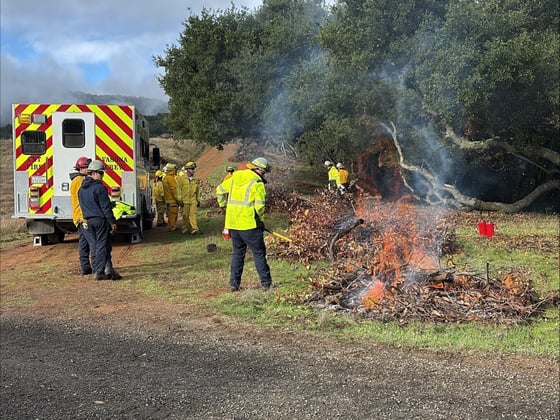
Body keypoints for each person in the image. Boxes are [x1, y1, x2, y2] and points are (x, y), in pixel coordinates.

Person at [216, 157, 273, 292]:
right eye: (264, 172)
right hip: (249, 224)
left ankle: (234, 284)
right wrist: (260, 221)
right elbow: (259, 206)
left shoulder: (234, 177)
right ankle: (267, 284)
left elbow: (219, 190)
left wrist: (223, 206)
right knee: (259, 253)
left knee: (237, 253)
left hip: (233, 223)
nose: (264, 175)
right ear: (258, 169)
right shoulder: (257, 183)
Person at [78, 160, 120, 281]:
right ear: (95, 173)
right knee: (102, 245)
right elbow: (105, 207)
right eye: (101, 173)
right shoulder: (99, 188)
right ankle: (99, 270)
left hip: (88, 221)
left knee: (96, 245)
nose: (102, 176)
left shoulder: (81, 189)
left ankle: (105, 268)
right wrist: (112, 222)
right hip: (100, 220)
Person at [70, 156, 93, 275]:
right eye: (87, 167)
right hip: (83, 216)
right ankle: (97, 266)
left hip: (79, 216)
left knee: (84, 242)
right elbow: (84, 198)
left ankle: (85, 267)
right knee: (93, 242)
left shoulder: (77, 180)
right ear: (82, 168)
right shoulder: (79, 180)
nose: (89, 169)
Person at [177, 161, 201, 234]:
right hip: (185, 201)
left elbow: (197, 191)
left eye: (194, 169)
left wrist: (198, 200)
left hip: (192, 201)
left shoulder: (195, 180)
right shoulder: (181, 179)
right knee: (185, 216)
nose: (193, 171)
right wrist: (179, 199)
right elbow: (178, 189)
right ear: (187, 170)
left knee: (193, 215)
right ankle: (185, 229)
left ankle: (195, 229)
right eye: (191, 169)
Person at [162, 163, 179, 231]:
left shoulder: (165, 177)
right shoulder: (170, 178)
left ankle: (171, 226)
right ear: (172, 170)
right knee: (173, 214)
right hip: (172, 200)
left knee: (170, 214)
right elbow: (173, 189)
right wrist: (178, 199)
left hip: (168, 199)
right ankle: (172, 227)